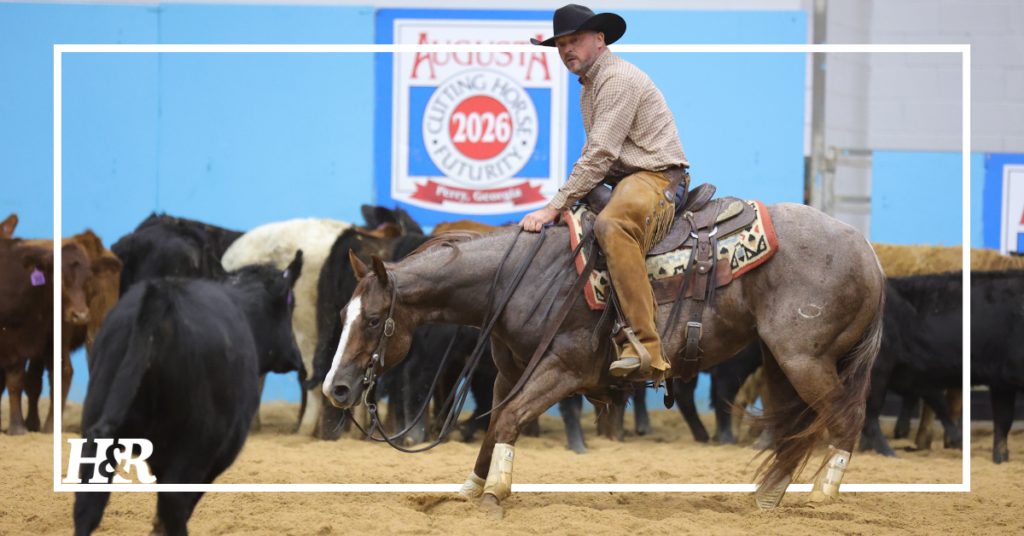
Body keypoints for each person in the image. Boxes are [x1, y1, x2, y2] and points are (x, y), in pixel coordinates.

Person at [520, 4, 689, 380]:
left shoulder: (615, 79)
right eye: (561, 44)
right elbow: (596, 157)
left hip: (656, 178)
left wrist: (552, 206)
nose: (567, 50)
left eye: (575, 40)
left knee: (612, 227)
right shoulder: (592, 84)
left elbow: (599, 155)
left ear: (599, 39)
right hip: (628, 179)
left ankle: (647, 346)